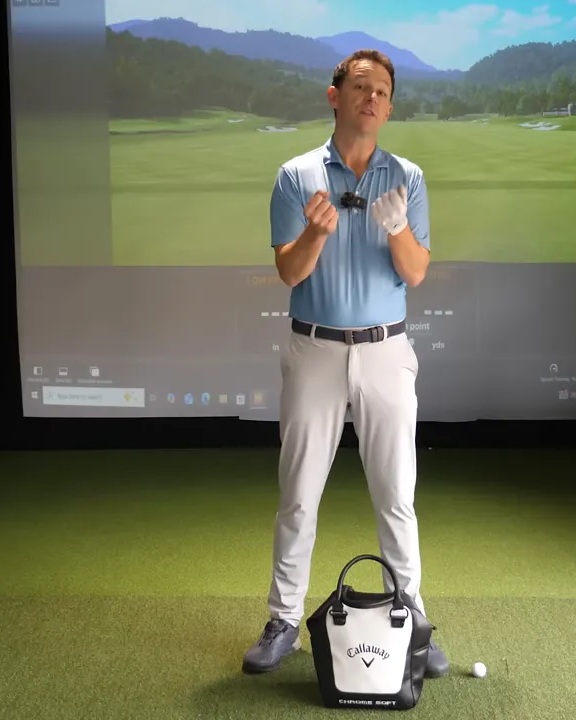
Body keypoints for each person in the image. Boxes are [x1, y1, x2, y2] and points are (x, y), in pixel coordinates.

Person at [242, 49, 449, 679]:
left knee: (396, 496)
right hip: (316, 350)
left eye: (382, 91)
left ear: (390, 104)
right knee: (299, 495)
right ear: (335, 96)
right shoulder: (296, 174)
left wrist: (396, 230)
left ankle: (412, 622)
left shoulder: (406, 177)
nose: (372, 98)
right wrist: (316, 234)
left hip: (386, 351)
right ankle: (282, 621)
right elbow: (289, 271)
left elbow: (415, 271)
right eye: (360, 87)